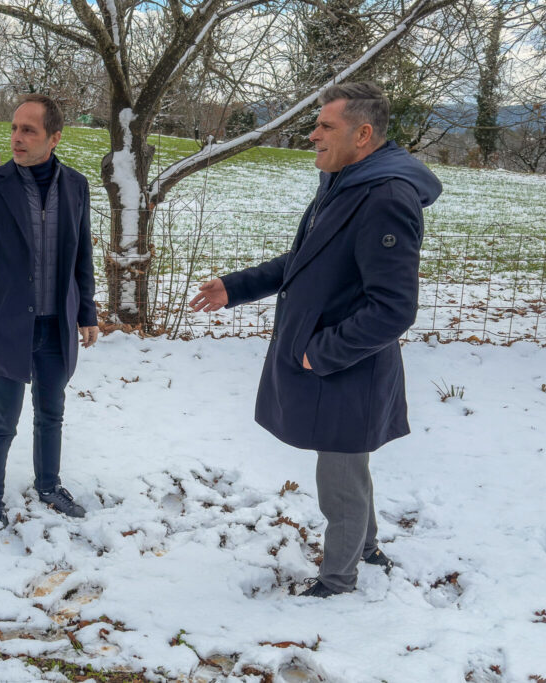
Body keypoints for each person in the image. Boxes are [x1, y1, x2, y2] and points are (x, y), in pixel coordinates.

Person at [190, 82, 442, 597]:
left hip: (347, 368)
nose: (313, 135)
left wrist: (318, 353)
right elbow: (303, 261)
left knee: (340, 478)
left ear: (362, 134)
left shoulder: (385, 197)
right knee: (348, 464)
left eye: (326, 126)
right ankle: (365, 548)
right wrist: (235, 287)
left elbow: (393, 308)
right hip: (335, 365)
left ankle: (338, 580)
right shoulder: (346, 182)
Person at [0, 94, 99, 526]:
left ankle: (49, 486)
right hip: (6, 324)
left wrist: (87, 312)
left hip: (57, 325)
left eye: (28, 130)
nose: (16, 138)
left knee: (51, 413)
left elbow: (82, 256)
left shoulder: (76, 186)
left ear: (54, 138)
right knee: (3, 418)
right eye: (14, 128)